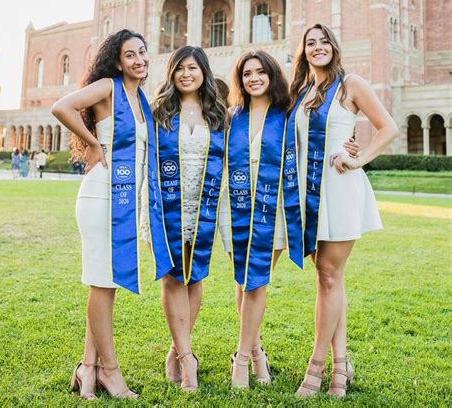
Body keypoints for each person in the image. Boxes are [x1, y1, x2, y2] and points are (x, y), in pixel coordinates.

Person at [218, 50, 358, 389]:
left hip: (274, 208)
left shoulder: (287, 114)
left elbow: (315, 141)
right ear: (240, 79)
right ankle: (255, 355)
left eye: (260, 72)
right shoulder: (230, 117)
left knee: (257, 279)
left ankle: (244, 360)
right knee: (244, 281)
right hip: (235, 207)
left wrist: (349, 146)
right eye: (247, 73)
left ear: (272, 76)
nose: (254, 78)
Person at [52, 29, 172, 401]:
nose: (139, 60)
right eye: (130, 55)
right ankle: (110, 371)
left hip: (122, 201)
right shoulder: (108, 87)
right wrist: (91, 143)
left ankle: (88, 368)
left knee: (106, 285)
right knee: (102, 283)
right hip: (100, 195)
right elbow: (62, 106)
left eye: (143, 53)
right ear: (117, 61)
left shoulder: (141, 101)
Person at [289, 24, 398, 399]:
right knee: (327, 280)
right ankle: (340, 366)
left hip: (339, 188)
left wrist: (358, 159)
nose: (317, 48)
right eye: (310, 43)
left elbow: (388, 127)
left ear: (334, 47)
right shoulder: (303, 92)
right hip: (310, 193)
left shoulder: (352, 84)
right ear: (303, 51)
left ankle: (316, 370)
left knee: (330, 276)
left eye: (323, 42)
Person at [152, 46, 226, 393]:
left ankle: (176, 350)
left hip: (204, 205)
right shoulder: (160, 112)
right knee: (172, 278)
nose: (185, 74)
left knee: (195, 278)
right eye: (179, 68)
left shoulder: (218, 114)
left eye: (192, 68)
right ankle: (186, 357)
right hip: (169, 204)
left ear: (203, 72)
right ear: (171, 73)